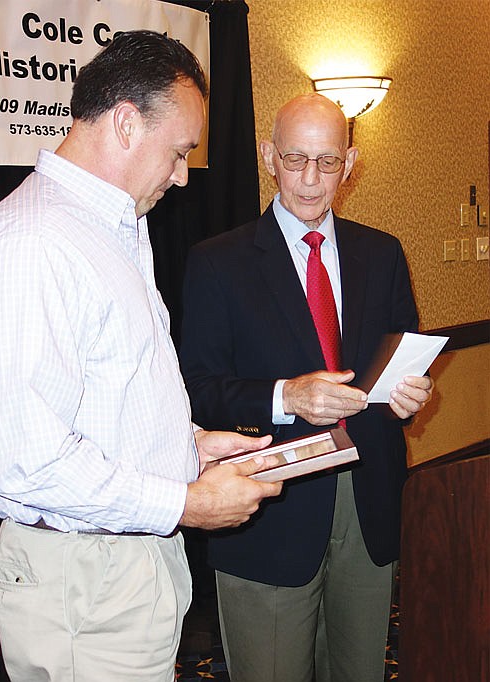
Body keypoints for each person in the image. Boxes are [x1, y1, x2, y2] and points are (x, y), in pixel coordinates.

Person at [0, 30, 283, 682]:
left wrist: (188, 444)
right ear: (127, 123)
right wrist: (184, 504)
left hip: (120, 566)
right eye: (180, 151)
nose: (184, 175)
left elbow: (112, 392)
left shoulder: (116, 226)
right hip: (83, 579)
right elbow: (25, 462)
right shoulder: (33, 245)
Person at [179, 92, 434, 682]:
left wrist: (409, 397)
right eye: (296, 160)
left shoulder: (384, 254)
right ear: (269, 156)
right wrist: (285, 397)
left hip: (368, 501)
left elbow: (402, 369)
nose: (312, 180)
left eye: (327, 162)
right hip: (271, 507)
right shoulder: (218, 262)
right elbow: (198, 388)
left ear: (350, 164)